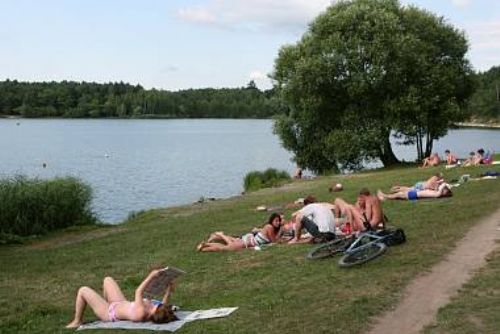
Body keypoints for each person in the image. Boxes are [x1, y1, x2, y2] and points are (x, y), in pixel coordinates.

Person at [66, 269, 178, 328]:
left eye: (156, 306)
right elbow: (163, 304)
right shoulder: (153, 311)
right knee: (107, 279)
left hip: (109, 312)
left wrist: (151, 276)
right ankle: (103, 304)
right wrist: (168, 290)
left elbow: (138, 291)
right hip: (119, 303)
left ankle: (77, 321)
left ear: (155, 313)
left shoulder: (141, 312)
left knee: (83, 290)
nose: (156, 304)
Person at [196, 213, 283, 252]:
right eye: (276, 221)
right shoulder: (270, 227)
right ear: (271, 221)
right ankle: (219, 235)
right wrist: (281, 232)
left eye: (279, 221)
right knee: (225, 248)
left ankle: (204, 246)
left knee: (224, 248)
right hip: (246, 243)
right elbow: (274, 241)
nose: (278, 222)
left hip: (247, 242)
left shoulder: (269, 227)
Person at [377, 182, 452, 201]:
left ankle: (384, 196)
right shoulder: (436, 191)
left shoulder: (437, 193)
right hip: (415, 193)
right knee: (398, 194)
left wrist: (443, 186)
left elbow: (438, 193)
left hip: (414, 195)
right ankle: (384, 196)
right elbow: (440, 185)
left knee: (398, 195)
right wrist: (444, 185)